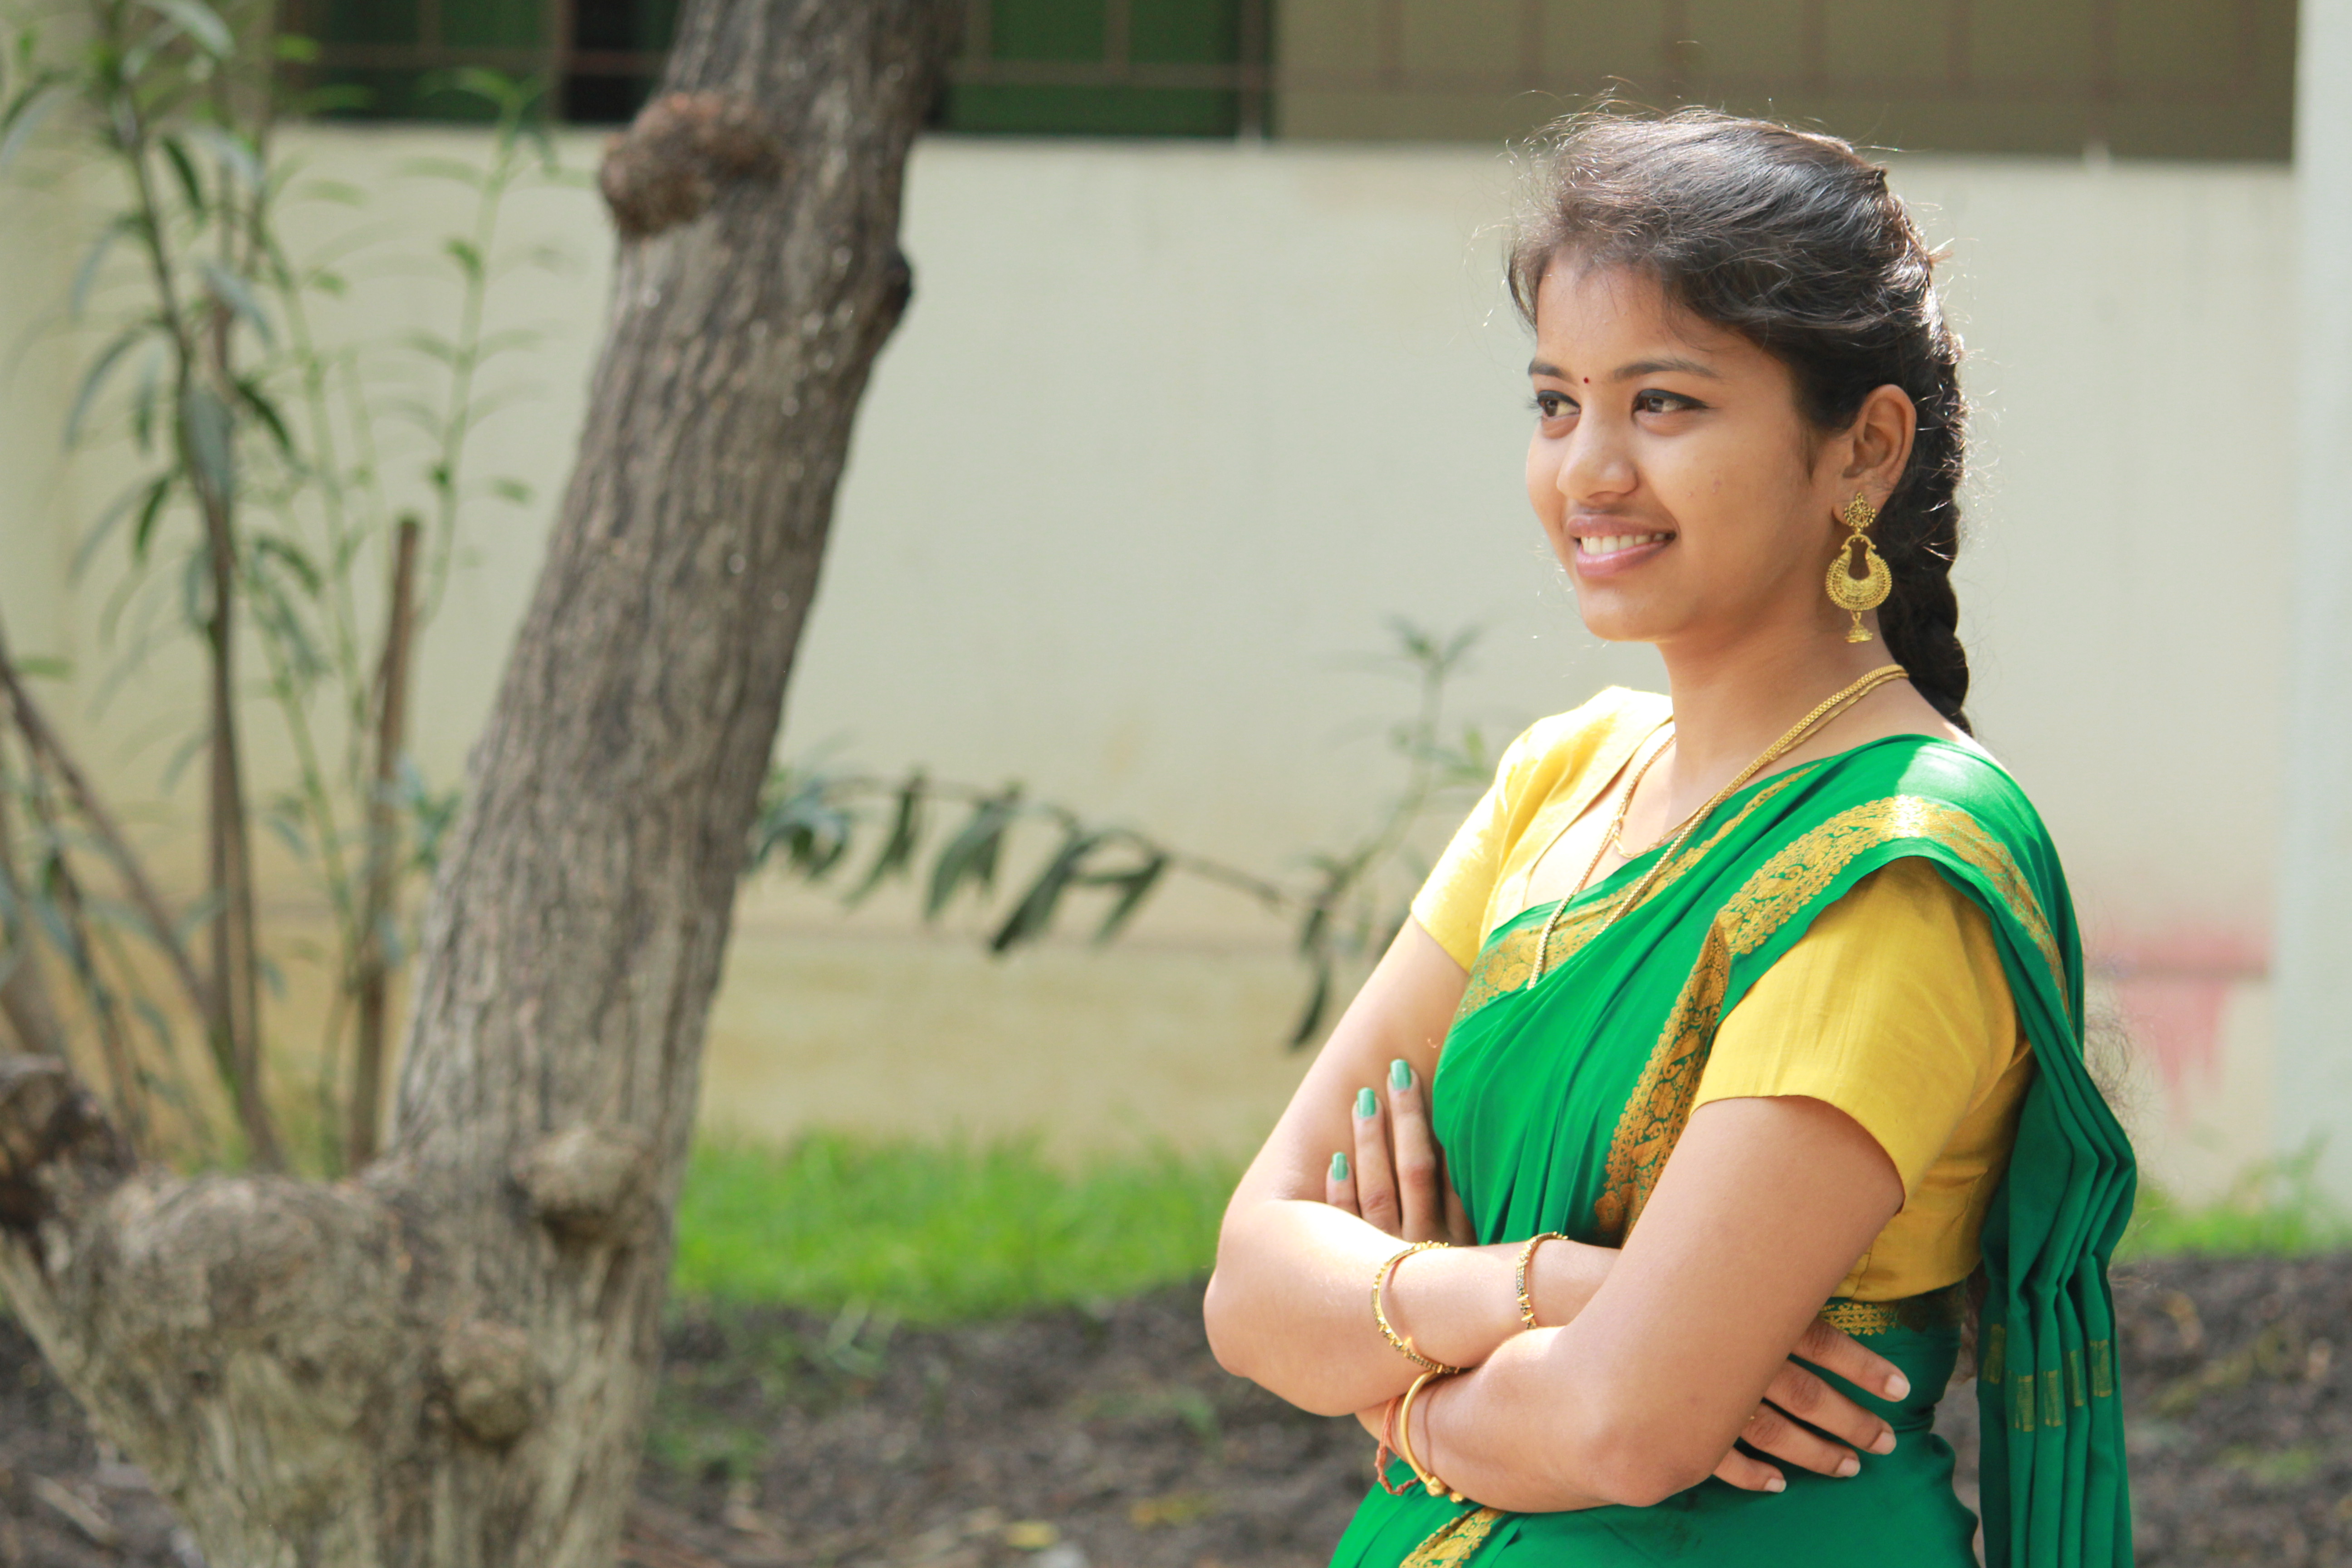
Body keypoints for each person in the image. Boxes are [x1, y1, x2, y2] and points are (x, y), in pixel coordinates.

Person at [1201, 110, 2134, 1568]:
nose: (1589, 471)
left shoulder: (1896, 866)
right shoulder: (1562, 780)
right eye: (1556, 402)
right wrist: (1545, 1291)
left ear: (1864, 449)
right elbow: (1250, 1285)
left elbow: (1626, 1427)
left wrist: (1393, 1389)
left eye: (1665, 404)